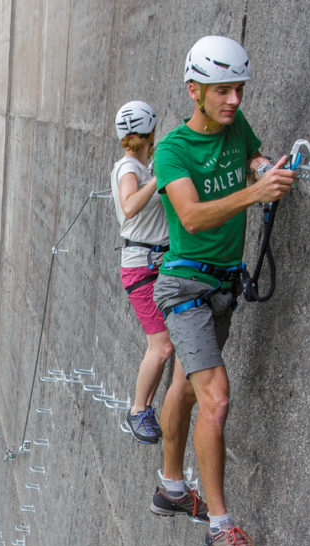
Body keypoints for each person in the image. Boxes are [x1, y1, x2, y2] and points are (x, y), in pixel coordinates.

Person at [148, 35, 294, 546]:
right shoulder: (172, 150)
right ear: (195, 91)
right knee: (217, 398)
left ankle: (169, 486)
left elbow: (251, 154)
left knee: (186, 386)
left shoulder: (236, 128)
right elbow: (190, 215)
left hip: (223, 288)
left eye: (239, 89)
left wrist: (258, 168)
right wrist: (256, 194)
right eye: (222, 90)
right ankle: (220, 528)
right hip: (184, 288)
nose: (234, 99)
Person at [110, 100, 173, 445]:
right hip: (143, 268)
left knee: (164, 343)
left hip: (153, 263)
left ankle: (144, 408)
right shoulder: (129, 168)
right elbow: (131, 205)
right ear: (150, 132)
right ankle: (137, 411)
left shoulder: (138, 167)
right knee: (161, 345)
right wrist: (158, 180)